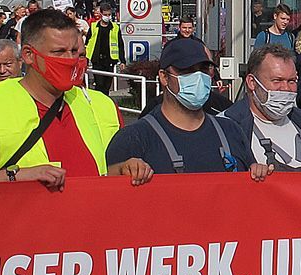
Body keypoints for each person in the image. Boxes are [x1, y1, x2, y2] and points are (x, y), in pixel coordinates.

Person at [0, 9, 147, 189]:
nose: (70, 60)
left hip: (88, 219)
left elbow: (97, 175)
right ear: (29, 55)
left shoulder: (101, 106)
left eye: (74, 52)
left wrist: (123, 169)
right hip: (23, 221)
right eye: (59, 52)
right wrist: (16, 176)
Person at [106, 37, 256, 176]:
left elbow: (251, 183)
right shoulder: (133, 139)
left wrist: (260, 174)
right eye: (187, 70)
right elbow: (107, 187)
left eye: (204, 69)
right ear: (164, 77)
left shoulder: (232, 131)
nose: (198, 77)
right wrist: (121, 170)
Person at [222, 45, 301, 172]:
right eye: (277, 80)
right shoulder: (228, 127)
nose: (286, 88)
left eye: (291, 81)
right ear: (252, 82)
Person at [86, 3, 126, 93]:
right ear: (101, 14)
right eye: (105, 14)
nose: (107, 17)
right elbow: (88, 43)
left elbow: (120, 44)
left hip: (110, 60)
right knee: (99, 85)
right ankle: (99, 101)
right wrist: (86, 59)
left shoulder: (115, 28)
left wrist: (122, 61)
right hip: (97, 60)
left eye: (109, 14)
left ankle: (105, 100)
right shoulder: (94, 26)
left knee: (106, 86)